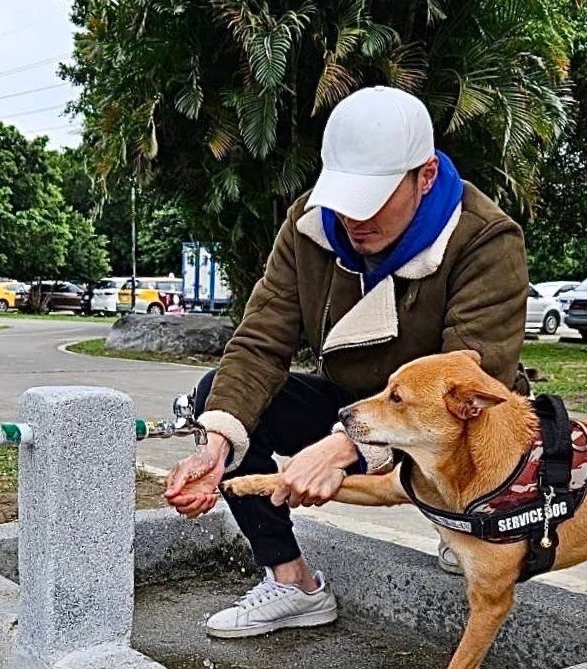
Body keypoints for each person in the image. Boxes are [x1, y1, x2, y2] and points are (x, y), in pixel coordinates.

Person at [163, 86, 530, 638]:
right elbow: (260, 341)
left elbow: (473, 373)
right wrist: (217, 446)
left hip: (450, 425)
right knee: (223, 395)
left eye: (376, 198)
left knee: (466, 449)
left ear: (424, 176)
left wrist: (341, 450)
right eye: (346, 197)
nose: (355, 219)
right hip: (351, 401)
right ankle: (293, 582)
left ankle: (462, 513)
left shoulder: (485, 238)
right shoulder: (308, 225)